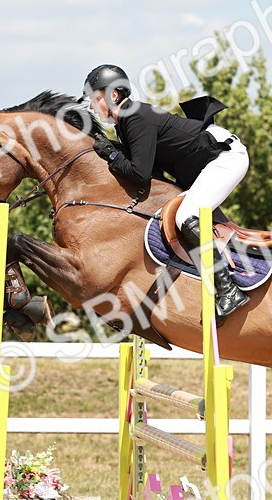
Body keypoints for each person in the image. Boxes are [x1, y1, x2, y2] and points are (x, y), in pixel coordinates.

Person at [83, 64, 250, 321]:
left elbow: (139, 174)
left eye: (95, 99)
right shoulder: (126, 122)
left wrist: (112, 154)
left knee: (186, 217)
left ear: (113, 95)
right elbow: (149, 174)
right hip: (207, 162)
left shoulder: (134, 117)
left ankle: (229, 291)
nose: (92, 107)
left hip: (226, 158)